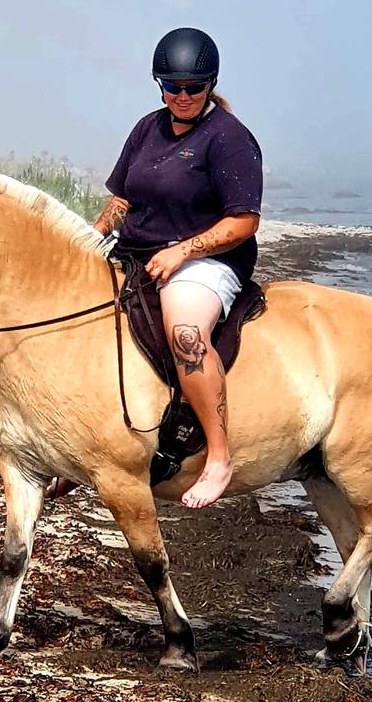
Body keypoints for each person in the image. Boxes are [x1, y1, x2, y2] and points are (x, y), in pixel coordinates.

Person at [95, 28, 263, 509]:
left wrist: (182, 251)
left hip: (207, 260)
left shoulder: (229, 139)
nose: (182, 96)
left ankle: (218, 456)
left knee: (185, 331)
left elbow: (244, 221)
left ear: (210, 84)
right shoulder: (147, 128)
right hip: (137, 252)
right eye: (172, 86)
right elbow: (122, 198)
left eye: (193, 87)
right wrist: (93, 235)